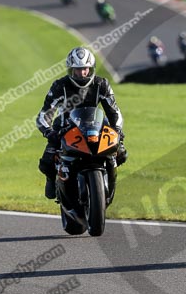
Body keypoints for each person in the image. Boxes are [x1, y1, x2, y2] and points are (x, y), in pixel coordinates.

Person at [36, 47, 127, 199]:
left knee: (121, 153)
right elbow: (45, 113)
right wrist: (48, 131)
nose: (82, 73)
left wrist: (117, 129)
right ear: (71, 70)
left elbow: (114, 111)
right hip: (65, 127)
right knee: (47, 161)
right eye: (77, 70)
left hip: (96, 126)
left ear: (91, 69)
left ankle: (109, 182)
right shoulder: (60, 86)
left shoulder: (101, 84)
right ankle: (52, 179)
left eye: (85, 69)